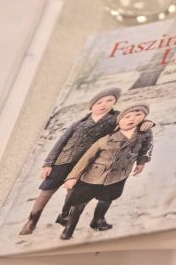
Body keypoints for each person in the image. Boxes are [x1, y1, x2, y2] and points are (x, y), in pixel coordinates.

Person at [18, 88, 121, 235]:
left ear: (115, 102)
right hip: (63, 161)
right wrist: (48, 163)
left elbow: (131, 120)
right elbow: (60, 142)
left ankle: (64, 216)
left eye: (109, 100)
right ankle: (32, 221)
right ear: (92, 105)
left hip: (84, 165)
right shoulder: (79, 123)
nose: (104, 104)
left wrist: (145, 123)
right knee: (46, 191)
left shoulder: (115, 119)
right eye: (99, 102)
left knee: (73, 192)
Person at [58, 103, 154, 240]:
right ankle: (69, 229)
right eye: (127, 117)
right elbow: (86, 158)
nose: (132, 119)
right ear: (119, 121)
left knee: (107, 199)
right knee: (79, 203)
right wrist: (73, 177)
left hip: (118, 176)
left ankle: (98, 220)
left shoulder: (144, 133)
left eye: (138, 115)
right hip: (93, 177)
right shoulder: (107, 139)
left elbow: (147, 146)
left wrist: (141, 162)